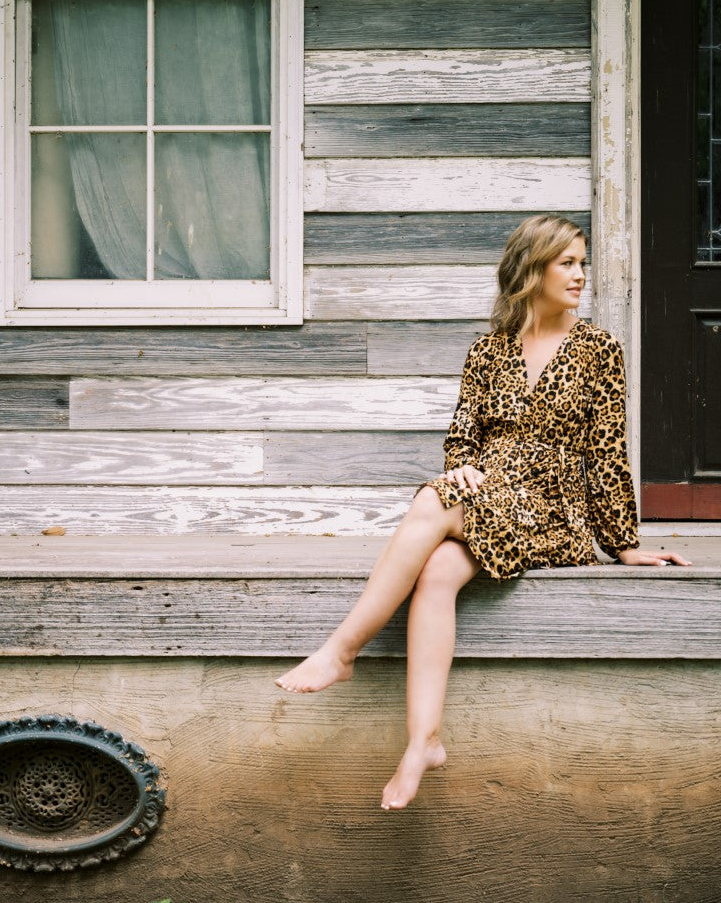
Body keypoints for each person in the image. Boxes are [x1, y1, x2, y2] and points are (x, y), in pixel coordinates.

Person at [274, 215, 691, 810]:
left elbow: (607, 450)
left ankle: (341, 652)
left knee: (432, 499)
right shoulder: (488, 351)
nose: (580, 274)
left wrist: (623, 544)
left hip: (552, 509)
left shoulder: (599, 349)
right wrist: (463, 467)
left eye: (582, 262)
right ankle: (423, 741)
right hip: (491, 495)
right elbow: (463, 435)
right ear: (532, 270)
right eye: (566, 263)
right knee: (437, 570)